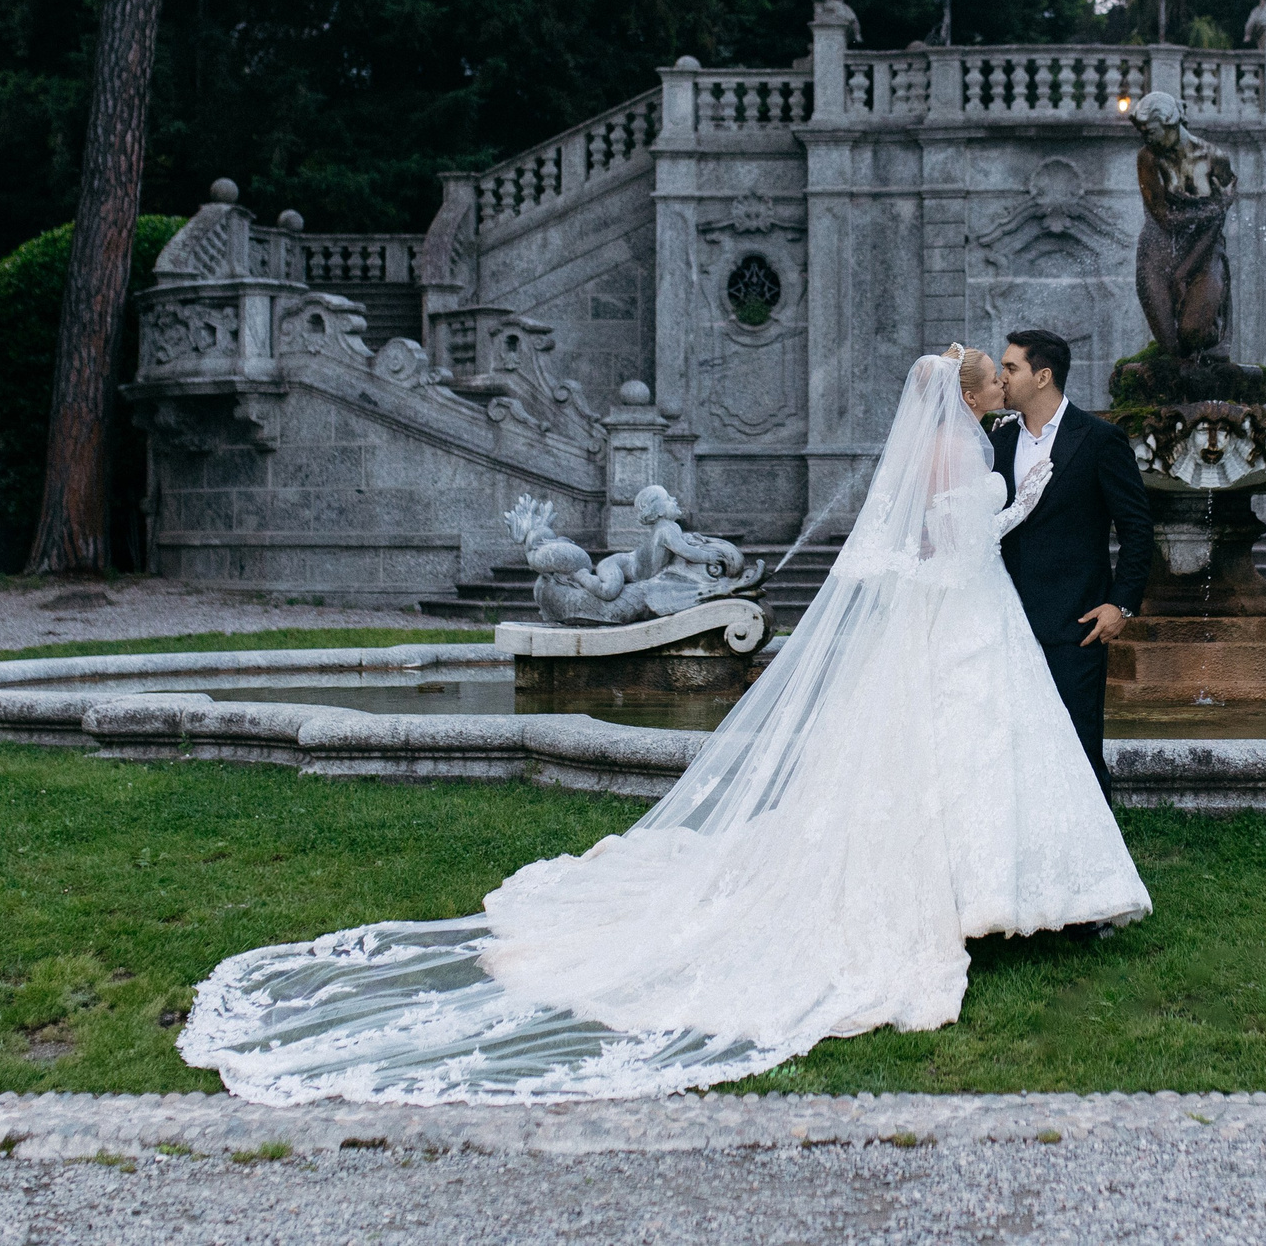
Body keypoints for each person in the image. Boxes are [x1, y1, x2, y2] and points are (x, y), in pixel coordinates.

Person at [176, 349, 1148, 1104]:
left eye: (1008, 372)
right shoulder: (967, 450)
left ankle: (987, 891)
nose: (1004, 384)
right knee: (956, 755)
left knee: (945, 759)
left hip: (969, 623)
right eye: (997, 375)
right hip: (963, 619)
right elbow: (950, 540)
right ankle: (976, 893)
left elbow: (949, 533)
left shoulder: (970, 447)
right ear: (976, 395)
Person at [991, 329, 1156, 804]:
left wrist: (1121, 604)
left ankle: (1097, 852)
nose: (1002, 377)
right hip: (1003, 619)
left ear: (1043, 377)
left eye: (1011, 368)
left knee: (1078, 745)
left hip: (1075, 622)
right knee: (1011, 746)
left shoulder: (1100, 439)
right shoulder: (997, 440)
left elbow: (1137, 528)